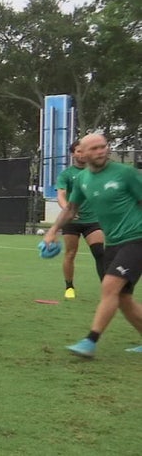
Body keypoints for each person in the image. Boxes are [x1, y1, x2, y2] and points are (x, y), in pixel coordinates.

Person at [43, 133, 142, 358]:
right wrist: (51, 231)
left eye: (103, 147)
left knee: (109, 287)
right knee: (123, 299)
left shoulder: (125, 173)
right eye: (94, 148)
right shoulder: (82, 180)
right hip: (114, 242)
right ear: (82, 153)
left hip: (136, 238)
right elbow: (70, 209)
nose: (100, 151)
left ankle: (90, 341)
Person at [55, 140, 106, 299]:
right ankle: (69, 286)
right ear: (73, 154)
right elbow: (61, 195)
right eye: (78, 151)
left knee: (99, 252)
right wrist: (67, 210)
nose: (82, 154)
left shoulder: (97, 172)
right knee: (70, 253)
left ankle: (107, 288)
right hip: (72, 222)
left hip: (93, 220)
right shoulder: (66, 174)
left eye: (84, 151)